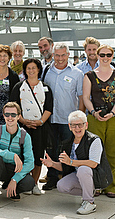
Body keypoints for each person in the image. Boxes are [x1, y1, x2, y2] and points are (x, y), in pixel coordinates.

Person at [40, 110, 105, 215]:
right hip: (78, 175)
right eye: (74, 125)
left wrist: (71, 161)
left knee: (83, 169)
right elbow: (66, 166)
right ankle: (87, 193)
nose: (77, 128)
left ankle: (89, 202)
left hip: (95, 177)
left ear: (86, 125)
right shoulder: (67, 143)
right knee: (61, 185)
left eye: (80, 125)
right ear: (69, 127)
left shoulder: (94, 140)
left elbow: (93, 164)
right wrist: (52, 164)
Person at [81, 44, 115, 198]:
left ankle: (111, 186)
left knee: (113, 153)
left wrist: (112, 113)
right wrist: (93, 112)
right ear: (98, 56)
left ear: (112, 57)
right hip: (95, 118)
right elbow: (86, 97)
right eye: (102, 55)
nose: (105, 58)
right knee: (95, 154)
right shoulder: (89, 75)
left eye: (108, 55)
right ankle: (97, 184)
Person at [41, 43, 84, 190]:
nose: (60, 58)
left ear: (68, 55)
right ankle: (52, 178)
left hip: (68, 120)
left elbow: (81, 96)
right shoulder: (46, 71)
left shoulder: (77, 73)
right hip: (50, 118)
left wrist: (80, 119)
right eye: (57, 55)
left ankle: (66, 178)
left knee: (67, 151)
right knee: (51, 150)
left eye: (63, 55)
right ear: (53, 55)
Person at [9, 58, 53, 195]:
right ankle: (25, 182)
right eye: (28, 68)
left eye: (34, 68)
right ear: (24, 70)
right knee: (24, 154)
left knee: (38, 155)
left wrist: (40, 122)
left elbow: (49, 108)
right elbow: (13, 106)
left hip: (40, 127)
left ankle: (34, 183)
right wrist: (23, 121)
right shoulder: (19, 86)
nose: (31, 71)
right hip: (23, 127)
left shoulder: (45, 87)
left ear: (39, 69)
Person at [0, 102, 35, 206]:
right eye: (7, 114)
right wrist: (12, 155)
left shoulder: (25, 136)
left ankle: (13, 191)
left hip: (15, 169)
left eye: (13, 115)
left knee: (30, 183)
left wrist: (15, 179)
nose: (10, 117)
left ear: (19, 116)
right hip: (0, 168)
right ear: (3, 115)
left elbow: (30, 162)